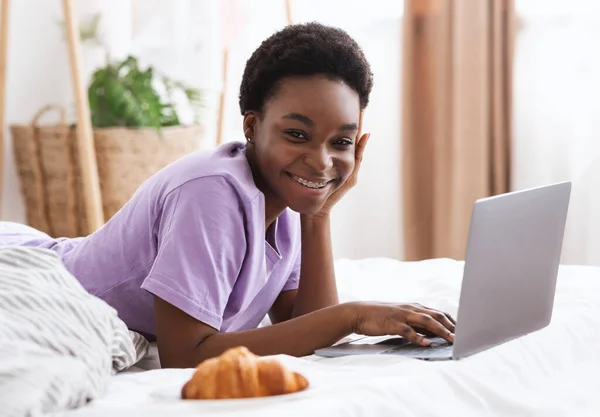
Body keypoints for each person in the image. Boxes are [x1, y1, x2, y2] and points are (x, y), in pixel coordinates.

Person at [1, 22, 455, 368]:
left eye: (340, 142)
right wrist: (353, 316)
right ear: (252, 126)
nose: (321, 162)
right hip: (33, 280)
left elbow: (303, 323)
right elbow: (186, 356)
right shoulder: (213, 192)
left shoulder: (289, 200)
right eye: (297, 134)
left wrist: (320, 215)